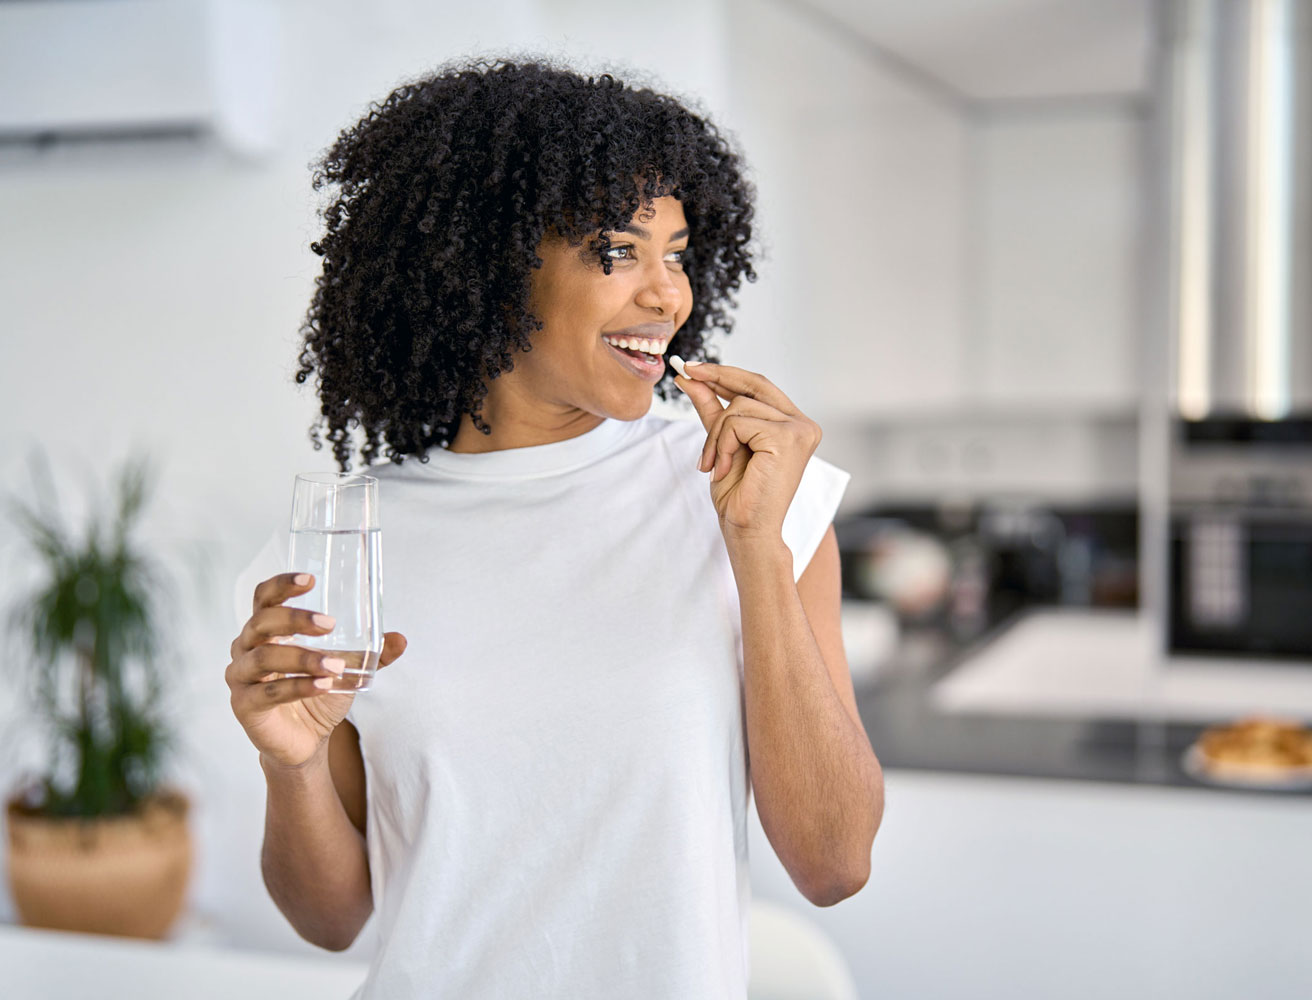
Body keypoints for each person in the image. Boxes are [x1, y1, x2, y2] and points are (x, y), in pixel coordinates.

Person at [226, 57, 884, 998]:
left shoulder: (752, 497)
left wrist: (755, 551)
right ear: (491, 266)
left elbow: (836, 861)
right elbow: (332, 920)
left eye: (679, 251)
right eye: (618, 251)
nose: (669, 295)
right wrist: (287, 764)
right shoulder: (343, 539)